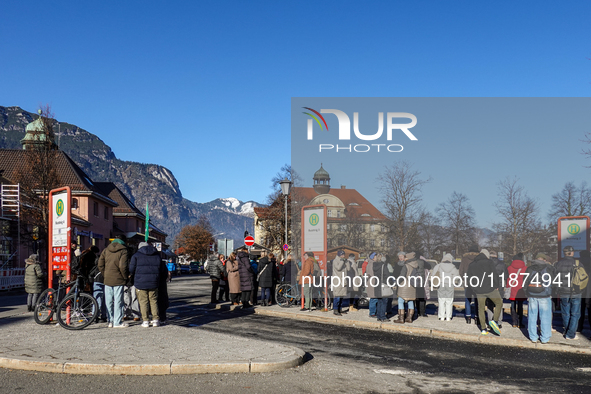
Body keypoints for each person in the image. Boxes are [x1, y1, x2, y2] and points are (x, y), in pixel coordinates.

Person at [129, 242, 167, 327]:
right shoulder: (157, 255)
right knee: (154, 301)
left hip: (140, 282)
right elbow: (161, 269)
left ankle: (145, 320)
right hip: (154, 282)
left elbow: (131, 269)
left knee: (143, 301)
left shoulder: (136, 256)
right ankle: (156, 320)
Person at [98, 234, 130, 328]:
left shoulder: (106, 250)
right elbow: (122, 266)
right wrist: (125, 277)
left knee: (108, 300)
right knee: (118, 301)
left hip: (107, 278)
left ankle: (110, 320)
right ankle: (117, 322)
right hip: (118, 279)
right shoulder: (123, 251)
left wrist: (105, 273)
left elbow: (100, 264)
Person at [467, 249, 502, 335]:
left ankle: (483, 329)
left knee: (481, 309)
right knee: (499, 303)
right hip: (490, 288)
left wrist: (474, 288)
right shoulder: (489, 262)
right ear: (486, 255)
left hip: (479, 290)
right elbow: (494, 274)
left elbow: (469, 278)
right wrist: (496, 285)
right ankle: (495, 320)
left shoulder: (472, 264)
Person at [523, 253, 555, 343]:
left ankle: (533, 337)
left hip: (532, 295)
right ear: (544, 259)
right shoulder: (549, 268)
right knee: (545, 317)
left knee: (532, 317)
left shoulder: (529, 268)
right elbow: (554, 281)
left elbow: (525, 282)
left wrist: (527, 293)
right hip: (545, 295)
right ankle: (545, 338)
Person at [554, 245, 583, 340]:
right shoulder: (578, 263)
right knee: (575, 314)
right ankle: (570, 334)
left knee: (565, 313)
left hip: (563, 292)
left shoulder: (558, 264)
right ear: (572, 253)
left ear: (564, 253)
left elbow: (555, 279)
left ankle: (567, 331)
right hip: (576, 291)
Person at [431, 253, 459, 321]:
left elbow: (433, 274)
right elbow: (456, 277)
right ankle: (448, 317)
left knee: (441, 300)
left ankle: (441, 316)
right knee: (449, 301)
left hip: (441, 284)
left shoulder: (439, 266)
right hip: (450, 284)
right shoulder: (453, 267)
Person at [394, 252, 419, 324]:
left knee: (401, 300)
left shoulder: (406, 266)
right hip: (412, 286)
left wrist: (396, 283)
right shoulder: (416, 265)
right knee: (411, 301)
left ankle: (401, 318)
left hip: (404, 286)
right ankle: (409, 318)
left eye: (406, 257)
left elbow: (402, 276)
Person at [366, 252, 390, 322]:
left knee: (378, 300)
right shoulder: (379, 265)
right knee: (380, 300)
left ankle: (378, 315)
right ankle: (377, 314)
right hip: (377, 283)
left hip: (375, 283)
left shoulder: (373, 265)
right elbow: (386, 275)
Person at [459, 245, 480, 324]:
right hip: (477, 282)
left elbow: (460, 271)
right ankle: (476, 317)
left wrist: (463, 278)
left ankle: (468, 317)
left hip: (467, 282)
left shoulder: (464, 259)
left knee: (467, 300)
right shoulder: (478, 259)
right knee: (477, 300)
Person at [507, 253, 527, 328]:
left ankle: (514, 322)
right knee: (520, 306)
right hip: (520, 290)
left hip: (512, 288)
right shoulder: (525, 268)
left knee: (512, 305)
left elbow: (507, 278)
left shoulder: (509, 268)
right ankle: (520, 322)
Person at [332, 250, 351, 316]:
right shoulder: (335, 261)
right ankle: (335, 310)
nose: (343, 256)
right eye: (342, 255)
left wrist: (347, 262)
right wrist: (342, 261)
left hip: (343, 280)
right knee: (337, 296)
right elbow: (338, 268)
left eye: (344, 255)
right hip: (337, 281)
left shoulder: (343, 261)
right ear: (339, 255)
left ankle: (340, 309)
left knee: (342, 296)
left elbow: (348, 269)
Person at [577, 250, 591, 335]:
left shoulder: (578, 264)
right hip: (590, 291)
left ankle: (579, 328)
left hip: (580, 290)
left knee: (579, 311)